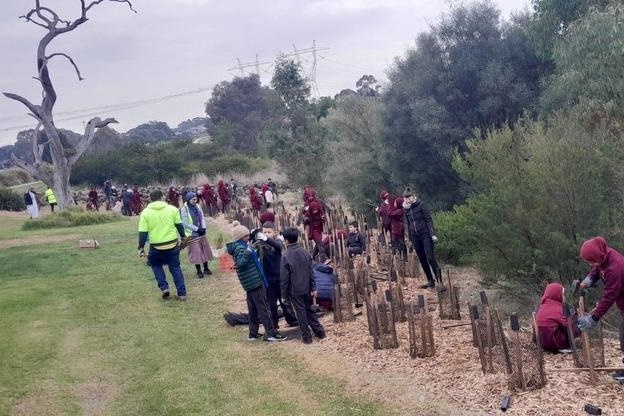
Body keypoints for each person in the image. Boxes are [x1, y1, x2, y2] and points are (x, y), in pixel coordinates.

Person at [226, 221, 287, 342]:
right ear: (240, 238)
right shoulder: (241, 249)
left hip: (250, 282)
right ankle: (271, 333)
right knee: (264, 308)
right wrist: (249, 251)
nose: (248, 238)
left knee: (253, 308)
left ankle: (252, 333)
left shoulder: (241, 246)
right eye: (246, 236)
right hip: (254, 282)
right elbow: (241, 264)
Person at [577, 236, 624, 378]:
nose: (591, 264)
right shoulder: (605, 255)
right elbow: (598, 268)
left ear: (598, 256)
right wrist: (589, 279)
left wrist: (593, 318)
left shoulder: (615, 267)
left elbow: (610, 296)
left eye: (591, 261)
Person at [138, 189, 189, 300]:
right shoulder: (172, 209)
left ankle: (164, 287)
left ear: (150, 199)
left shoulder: (145, 213)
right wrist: (183, 237)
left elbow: (143, 233)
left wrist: (141, 247)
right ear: (162, 197)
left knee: (156, 265)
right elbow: (179, 226)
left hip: (156, 246)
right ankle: (182, 294)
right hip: (172, 244)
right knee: (175, 268)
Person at [281, 227, 326, 344]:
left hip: (295, 289)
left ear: (286, 240)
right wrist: (313, 287)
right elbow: (311, 271)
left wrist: (284, 295)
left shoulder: (285, 256)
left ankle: (306, 336)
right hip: (306, 287)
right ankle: (319, 331)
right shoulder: (305, 252)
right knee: (309, 309)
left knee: (300, 312)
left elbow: (285, 279)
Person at [253, 221, 298, 329]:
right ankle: (274, 323)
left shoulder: (278, 242)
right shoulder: (260, 244)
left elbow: (277, 246)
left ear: (275, 232)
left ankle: (292, 320)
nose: (266, 234)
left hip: (280, 278)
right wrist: (253, 238)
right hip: (268, 279)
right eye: (264, 232)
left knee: (285, 301)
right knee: (271, 304)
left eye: (269, 232)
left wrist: (266, 239)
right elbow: (253, 249)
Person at [403, 187, 442, 290]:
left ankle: (439, 281)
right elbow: (407, 224)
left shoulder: (421, 205)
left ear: (413, 196)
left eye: (410, 197)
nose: (408, 199)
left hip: (425, 234)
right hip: (415, 236)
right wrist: (409, 239)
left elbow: (429, 220)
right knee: (422, 259)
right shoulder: (406, 209)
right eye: (406, 198)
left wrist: (432, 234)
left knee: (430, 257)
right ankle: (430, 281)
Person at [535, 282, 580, 353]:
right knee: (572, 316)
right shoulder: (558, 308)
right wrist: (577, 329)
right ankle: (566, 346)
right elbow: (569, 326)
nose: (564, 297)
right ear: (556, 295)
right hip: (556, 344)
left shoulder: (540, 307)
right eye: (563, 294)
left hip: (541, 343)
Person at [180, 192, 213, 278]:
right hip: (192, 234)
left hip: (201, 232)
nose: (195, 201)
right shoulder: (184, 209)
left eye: (196, 199)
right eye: (193, 199)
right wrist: (197, 229)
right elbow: (185, 223)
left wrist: (203, 228)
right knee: (196, 253)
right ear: (188, 200)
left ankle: (206, 268)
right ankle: (199, 271)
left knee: (204, 250)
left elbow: (202, 217)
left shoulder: (198, 206)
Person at [303, 197, 328, 263]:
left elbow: (323, 220)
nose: (315, 211)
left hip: (319, 229)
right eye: (313, 210)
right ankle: (324, 259)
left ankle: (312, 256)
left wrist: (323, 218)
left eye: (316, 209)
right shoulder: (308, 214)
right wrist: (307, 220)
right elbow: (305, 221)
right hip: (313, 230)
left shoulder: (319, 212)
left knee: (318, 243)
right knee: (320, 243)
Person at [389, 197, 408, 261]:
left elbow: (390, 213)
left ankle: (402, 258)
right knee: (398, 244)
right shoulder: (400, 210)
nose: (394, 203)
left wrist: (391, 206)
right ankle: (401, 257)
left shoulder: (399, 211)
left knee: (399, 244)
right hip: (397, 229)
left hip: (398, 230)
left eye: (395, 202)